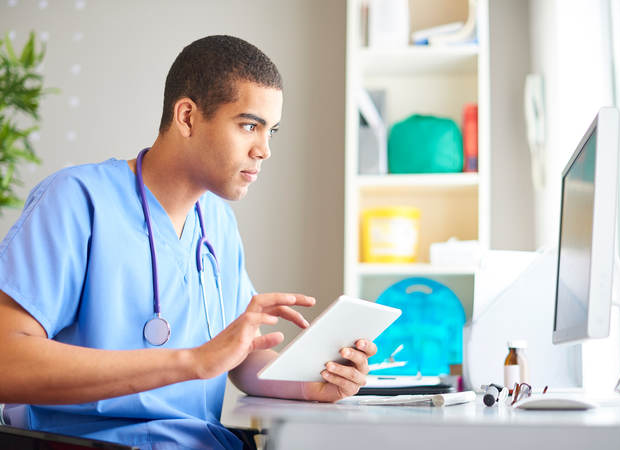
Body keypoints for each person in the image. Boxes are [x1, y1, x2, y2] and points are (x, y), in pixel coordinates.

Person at [0, 35, 376, 449]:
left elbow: (238, 359)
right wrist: (192, 362)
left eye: (272, 130)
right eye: (249, 125)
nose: (264, 149)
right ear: (187, 117)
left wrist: (313, 383)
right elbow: (7, 362)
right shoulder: (76, 200)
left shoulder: (217, 222)